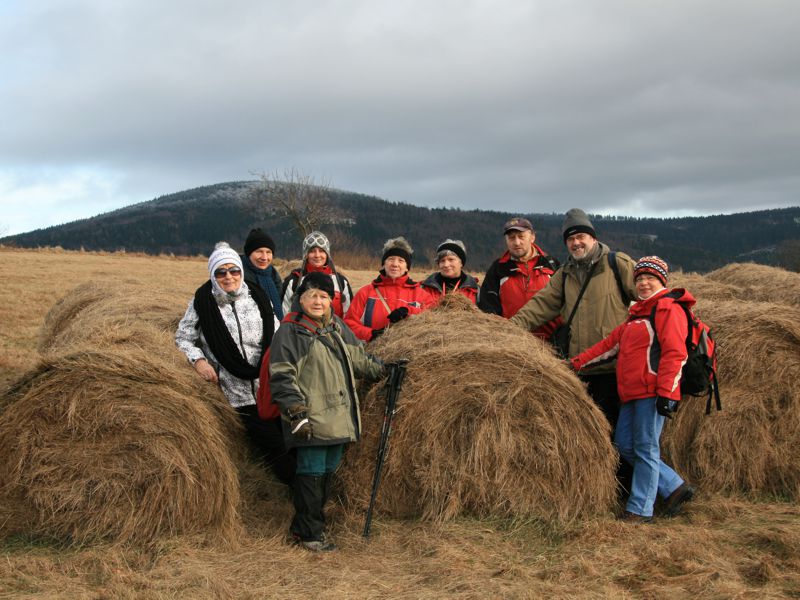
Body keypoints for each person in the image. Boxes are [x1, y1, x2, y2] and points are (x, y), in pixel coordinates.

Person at [570, 256, 696, 522]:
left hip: (652, 393)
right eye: (639, 278)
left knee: (646, 448)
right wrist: (572, 365)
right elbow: (606, 347)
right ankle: (673, 486)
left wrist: (666, 393)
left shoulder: (667, 308)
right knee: (625, 445)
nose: (643, 283)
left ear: (661, 280)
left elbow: (676, 353)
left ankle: (640, 510)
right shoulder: (636, 316)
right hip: (630, 394)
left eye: (650, 278)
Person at [270, 272, 385, 551]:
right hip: (311, 418)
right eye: (312, 295)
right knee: (311, 472)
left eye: (324, 296)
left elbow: (357, 357)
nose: (318, 301)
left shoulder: (335, 326)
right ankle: (307, 534)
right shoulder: (291, 331)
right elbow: (282, 376)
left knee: (327, 470)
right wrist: (297, 414)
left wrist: (384, 370)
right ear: (301, 299)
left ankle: (314, 524)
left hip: (338, 418)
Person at [175, 242, 294, 482]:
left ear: (241, 270)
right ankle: (299, 493)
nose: (228, 276)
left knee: (294, 435)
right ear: (213, 274)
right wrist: (199, 361)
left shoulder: (257, 297)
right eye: (221, 272)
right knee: (276, 445)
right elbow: (183, 337)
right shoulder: (202, 302)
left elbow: (278, 331)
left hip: (267, 384)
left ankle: (308, 487)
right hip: (235, 392)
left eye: (234, 270)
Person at [510, 208, 637, 431]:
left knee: (617, 433)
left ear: (593, 238)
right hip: (580, 369)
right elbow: (541, 305)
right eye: (570, 239)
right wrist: (509, 329)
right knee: (586, 433)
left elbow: (650, 294)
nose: (576, 243)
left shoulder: (617, 264)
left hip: (614, 368)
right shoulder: (564, 274)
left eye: (581, 237)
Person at [478, 217, 561, 338]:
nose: (516, 242)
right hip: (513, 342)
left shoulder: (552, 264)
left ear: (532, 237)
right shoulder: (498, 269)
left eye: (521, 237)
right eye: (511, 238)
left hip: (552, 341)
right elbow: (487, 305)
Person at [345, 237, 426, 342]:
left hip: (408, 353)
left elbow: (432, 318)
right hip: (371, 354)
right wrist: (370, 334)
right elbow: (349, 323)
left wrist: (408, 311)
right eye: (391, 259)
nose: (395, 264)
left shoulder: (421, 294)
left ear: (407, 267)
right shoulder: (365, 292)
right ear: (383, 264)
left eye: (401, 260)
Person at [281, 231, 353, 318]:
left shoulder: (341, 282)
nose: (317, 255)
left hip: (336, 331)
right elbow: (285, 315)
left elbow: (348, 316)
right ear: (306, 255)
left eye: (322, 251)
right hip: (300, 331)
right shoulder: (294, 281)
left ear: (327, 254)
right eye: (312, 251)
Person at [241, 228, 284, 324]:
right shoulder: (238, 277)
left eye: (268, 252)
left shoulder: (273, 275)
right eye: (259, 251)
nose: (264, 257)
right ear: (249, 253)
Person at [419, 239, 480, 307]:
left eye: (451, 259)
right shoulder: (425, 288)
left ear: (461, 263)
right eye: (442, 261)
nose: (446, 265)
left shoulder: (475, 290)